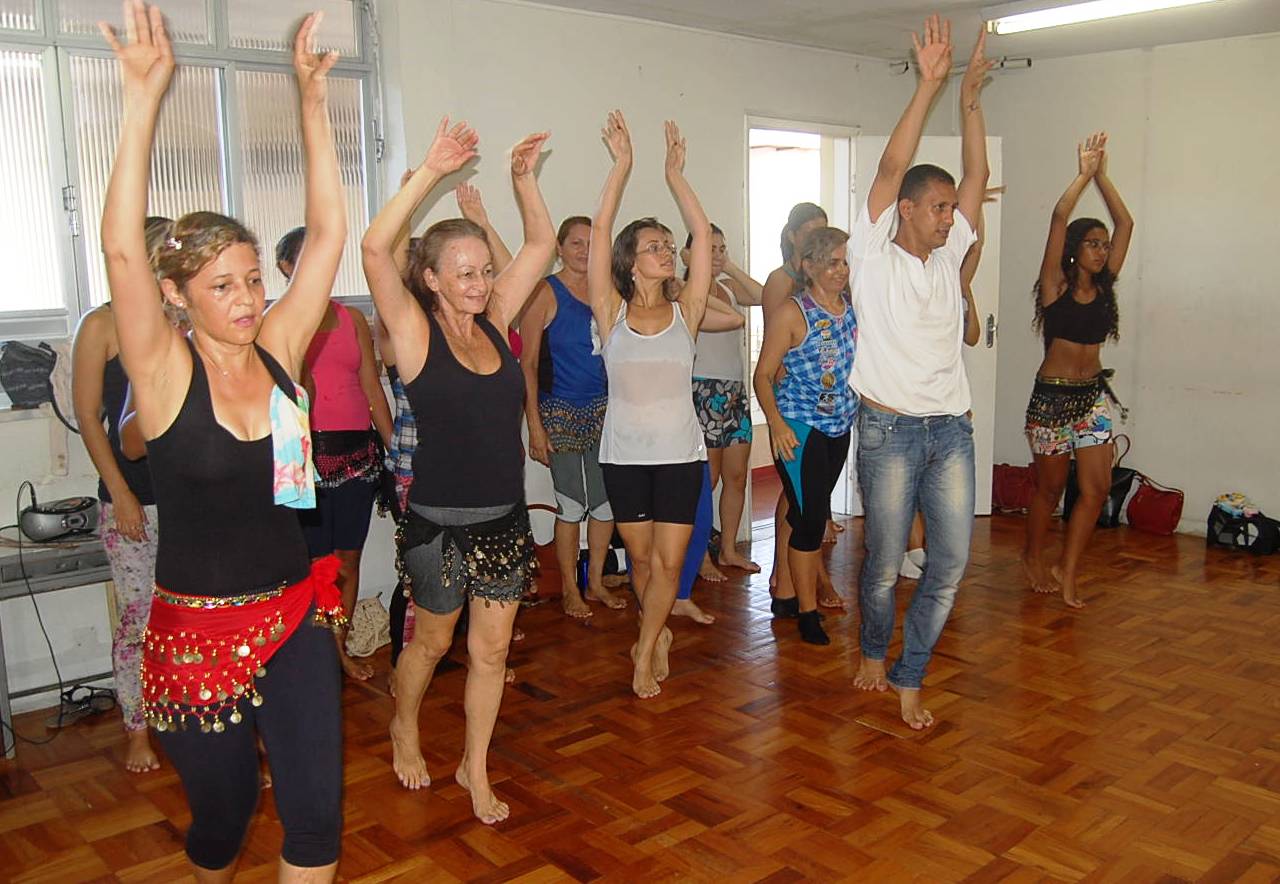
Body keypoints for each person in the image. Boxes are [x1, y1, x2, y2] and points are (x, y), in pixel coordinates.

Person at [99, 4, 349, 877]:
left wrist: (311, 103)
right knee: (227, 816)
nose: (246, 299)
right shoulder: (167, 375)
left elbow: (325, 238)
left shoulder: (278, 353)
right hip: (194, 635)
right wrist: (141, 99)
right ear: (181, 296)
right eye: (222, 286)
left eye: (251, 281)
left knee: (317, 814)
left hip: (291, 615)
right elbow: (124, 257)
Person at [362, 116, 554, 825]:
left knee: (494, 650)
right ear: (434, 280)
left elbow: (539, 245)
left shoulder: (496, 313)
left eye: (483, 271)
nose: (480, 282)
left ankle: (475, 765)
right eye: (465, 273)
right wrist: (430, 172)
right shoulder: (414, 332)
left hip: (502, 517)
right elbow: (375, 247)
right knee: (435, 641)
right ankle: (403, 722)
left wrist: (524, 180)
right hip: (436, 522)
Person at [849, 15, 993, 731]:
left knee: (950, 564)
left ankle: (912, 674)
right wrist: (928, 87)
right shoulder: (872, 254)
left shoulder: (945, 257)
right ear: (905, 211)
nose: (950, 218)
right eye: (938, 209)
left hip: (951, 432)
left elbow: (977, 176)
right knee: (880, 564)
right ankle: (875, 649)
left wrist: (969, 99)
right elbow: (887, 169)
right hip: (886, 430)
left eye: (950, 211)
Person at [588, 111, 737, 698]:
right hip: (623, 457)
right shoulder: (611, 311)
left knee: (670, 570)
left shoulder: (688, 311)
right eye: (655, 247)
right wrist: (622, 166)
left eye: (670, 246)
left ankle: (643, 650)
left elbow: (700, 234)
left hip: (680, 456)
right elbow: (600, 234)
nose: (668, 252)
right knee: (643, 567)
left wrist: (677, 175)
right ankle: (653, 637)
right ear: (631, 261)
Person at [71, 215, 174, 775]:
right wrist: (119, 492)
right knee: (140, 619)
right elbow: (89, 415)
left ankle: (200, 723)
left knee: (196, 616)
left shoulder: (181, 321)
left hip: (188, 499)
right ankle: (139, 729)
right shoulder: (102, 324)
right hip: (132, 497)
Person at [276, 228, 393, 682]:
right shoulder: (276, 321)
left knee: (347, 562)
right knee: (312, 569)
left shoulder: (352, 320)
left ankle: (338, 651)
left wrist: (395, 454)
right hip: (304, 461)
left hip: (358, 456)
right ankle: (311, 660)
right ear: (287, 267)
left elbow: (371, 389)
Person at [1023, 132, 1133, 608]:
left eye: (1104, 245)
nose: (1102, 251)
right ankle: (1033, 555)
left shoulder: (1105, 285)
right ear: (1074, 250)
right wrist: (1082, 175)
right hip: (1051, 399)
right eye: (1092, 244)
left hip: (1090, 399)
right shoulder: (1054, 285)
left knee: (1096, 488)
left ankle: (1067, 569)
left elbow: (1125, 221)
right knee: (1049, 488)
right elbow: (1058, 216)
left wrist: (1103, 176)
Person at [519, 216, 628, 620]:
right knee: (570, 504)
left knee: (602, 505)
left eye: (591, 243)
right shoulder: (544, 294)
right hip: (559, 411)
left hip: (604, 410)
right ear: (559, 249)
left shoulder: (608, 292)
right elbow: (527, 364)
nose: (584, 251)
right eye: (576, 244)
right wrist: (535, 425)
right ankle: (569, 588)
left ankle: (596, 581)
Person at [754, 227, 857, 645]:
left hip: (839, 427)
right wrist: (776, 424)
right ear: (808, 265)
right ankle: (806, 612)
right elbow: (762, 375)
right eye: (831, 262)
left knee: (807, 512)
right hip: (800, 430)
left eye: (844, 262)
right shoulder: (792, 312)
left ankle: (785, 595)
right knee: (812, 521)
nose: (840, 270)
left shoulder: (848, 308)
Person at [900, 187, 997, 580]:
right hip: (910, 398)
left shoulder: (956, 285)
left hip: (948, 395)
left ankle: (924, 548)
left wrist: (977, 211)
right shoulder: (911, 279)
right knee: (907, 484)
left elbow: (972, 336)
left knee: (934, 486)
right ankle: (908, 548)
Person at [686, 224, 763, 578]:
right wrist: (700, 271)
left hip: (734, 391)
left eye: (721, 248)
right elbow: (717, 312)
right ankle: (699, 555)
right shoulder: (684, 290)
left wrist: (728, 267)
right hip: (702, 390)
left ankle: (728, 549)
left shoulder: (729, 289)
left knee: (735, 476)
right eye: (710, 249)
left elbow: (762, 295)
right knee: (708, 479)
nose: (716, 254)